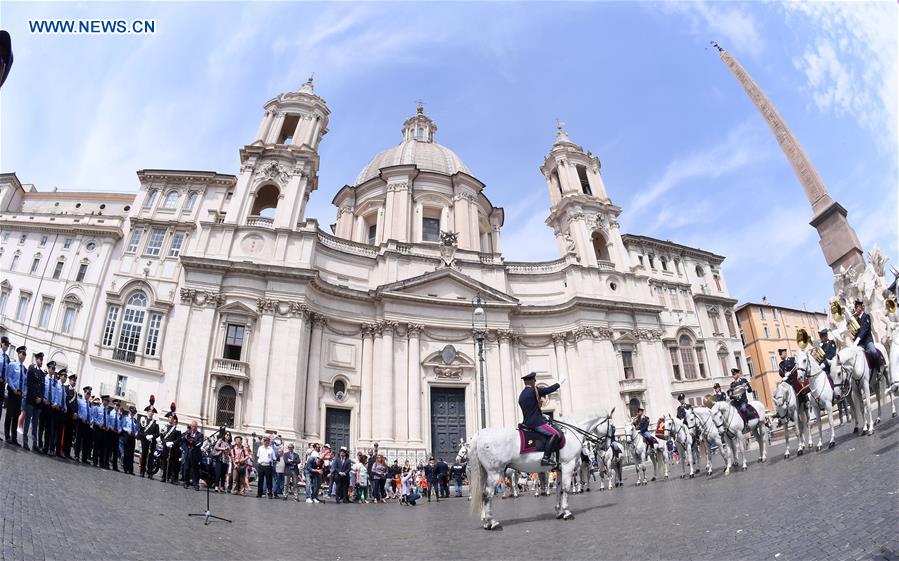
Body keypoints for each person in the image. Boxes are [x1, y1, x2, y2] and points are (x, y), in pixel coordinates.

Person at [518, 371, 563, 466]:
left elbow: (531, 409)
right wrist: (559, 383)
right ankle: (545, 458)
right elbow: (548, 390)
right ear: (531, 381)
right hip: (536, 422)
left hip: (528, 421)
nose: (535, 381)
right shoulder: (534, 390)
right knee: (555, 434)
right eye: (534, 380)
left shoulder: (522, 394)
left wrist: (542, 415)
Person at [4, 345, 27, 445]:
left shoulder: (25, 369)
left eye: (25, 354)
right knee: (9, 415)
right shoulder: (12, 365)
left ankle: (14, 437)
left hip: (20, 395)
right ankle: (7, 435)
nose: (24, 356)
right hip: (13, 393)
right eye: (22, 353)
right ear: (18, 354)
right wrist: (13, 389)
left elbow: (25, 383)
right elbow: (9, 377)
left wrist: (25, 392)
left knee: (16, 416)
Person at [23, 351, 46, 451]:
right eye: (40, 359)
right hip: (31, 400)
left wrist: (40, 398)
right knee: (27, 422)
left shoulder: (42, 373)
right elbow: (29, 384)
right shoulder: (31, 369)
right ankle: (25, 442)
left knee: (35, 424)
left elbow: (42, 388)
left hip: (38, 403)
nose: (41, 361)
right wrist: (35, 397)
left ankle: (34, 443)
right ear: (36, 359)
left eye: (42, 360)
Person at [853, 300, 880, 369]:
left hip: (867, 340)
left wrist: (857, 339)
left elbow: (864, 330)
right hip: (860, 342)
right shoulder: (856, 319)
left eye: (857, 307)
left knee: (873, 352)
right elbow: (855, 332)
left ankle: (878, 370)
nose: (855, 309)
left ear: (861, 308)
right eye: (855, 307)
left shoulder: (866, 316)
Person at [159, 412, 181, 484]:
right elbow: (161, 436)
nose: (170, 419)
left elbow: (178, 439)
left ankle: (172, 478)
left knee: (172, 463)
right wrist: (165, 443)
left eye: (172, 418)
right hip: (166, 447)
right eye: (169, 418)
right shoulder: (164, 427)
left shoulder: (177, 429)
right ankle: (164, 476)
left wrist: (172, 443)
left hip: (173, 448)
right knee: (165, 462)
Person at [138, 405, 159, 478]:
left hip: (152, 442)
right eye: (149, 411)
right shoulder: (143, 420)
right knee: (143, 456)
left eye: (152, 412)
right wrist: (146, 436)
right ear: (147, 412)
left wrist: (152, 436)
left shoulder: (155, 423)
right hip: (144, 441)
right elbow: (141, 430)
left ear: (153, 413)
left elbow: (157, 433)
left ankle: (150, 472)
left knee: (151, 457)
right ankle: (142, 471)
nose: (151, 413)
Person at [182, 421, 203, 491]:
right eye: (192, 426)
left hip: (195, 454)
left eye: (194, 426)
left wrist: (192, 440)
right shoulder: (187, 432)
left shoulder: (200, 435)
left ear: (197, 427)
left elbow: (200, 444)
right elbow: (182, 439)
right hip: (188, 453)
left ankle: (195, 484)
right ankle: (186, 482)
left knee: (195, 470)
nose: (193, 428)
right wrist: (185, 437)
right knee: (186, 468)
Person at [75, 386, 93, 463]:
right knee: (78, 440)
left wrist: (91, 420)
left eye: (89, 394)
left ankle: (84, 458)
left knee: (86, 441)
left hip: (87, 424)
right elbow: (78, 412)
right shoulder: (79, 401)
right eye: (87, 393)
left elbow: (91, 414)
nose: (88, 395)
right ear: (84, 393)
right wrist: (81, 418)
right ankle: (76, 455)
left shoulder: (90, 404)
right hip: (81, 422)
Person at [62, 371, 78, 459]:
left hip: (73, 417)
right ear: (69, 380)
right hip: (67, 415)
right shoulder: (66, 389)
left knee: (70, 436)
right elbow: (67, 402)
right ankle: (63, 450)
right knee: (65, 435)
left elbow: (76, 405)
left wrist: (76, 413)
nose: (74, 382)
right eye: (73, 380)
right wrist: (72, 413)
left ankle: (68, 452)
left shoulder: (75, 392)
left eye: (75, 380)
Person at [121, 405, 139, 475]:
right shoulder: (125, 418)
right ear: (129, 411)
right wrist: (128, 430)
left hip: (132, 437)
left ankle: (131, 470)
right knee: (126, 453)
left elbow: (137, 429)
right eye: (132, 412)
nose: (133, 414)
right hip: (127, 436)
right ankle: (125, 468)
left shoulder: (135, 420)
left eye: (134, 413)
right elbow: (123, 426)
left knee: (131, 454)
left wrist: (136, 433)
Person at [0, 336, 10, 424]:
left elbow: (7, 371)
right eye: (6, 344)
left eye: (8, 345)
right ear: (1, 344)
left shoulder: (7, 358)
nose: (7, 346)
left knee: (0, 408)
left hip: (2, 385)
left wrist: (6, 379)